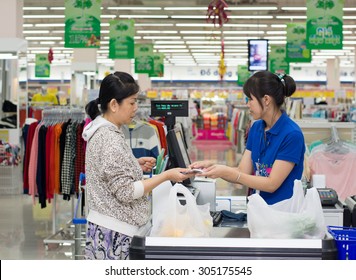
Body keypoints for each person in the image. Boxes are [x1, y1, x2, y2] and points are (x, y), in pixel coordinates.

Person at [82, 72, 195, 260]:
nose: (136, 108)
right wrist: (166, 176)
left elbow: (107, 171)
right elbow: (126, 192)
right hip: (114, 235)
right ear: (113, 105)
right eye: (132, 102)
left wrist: (134, 165)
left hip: (109, 229)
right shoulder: (110, 138)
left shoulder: (105, 132)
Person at [190, 71, 305, 205]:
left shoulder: (291, 135)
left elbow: (271, 184)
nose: (247, 104)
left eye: (250, 99)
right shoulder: (256, 128)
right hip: (257, 209)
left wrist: (229, 173)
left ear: (266, 100)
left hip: (282, 214)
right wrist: (215, 168)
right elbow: (242, 171)